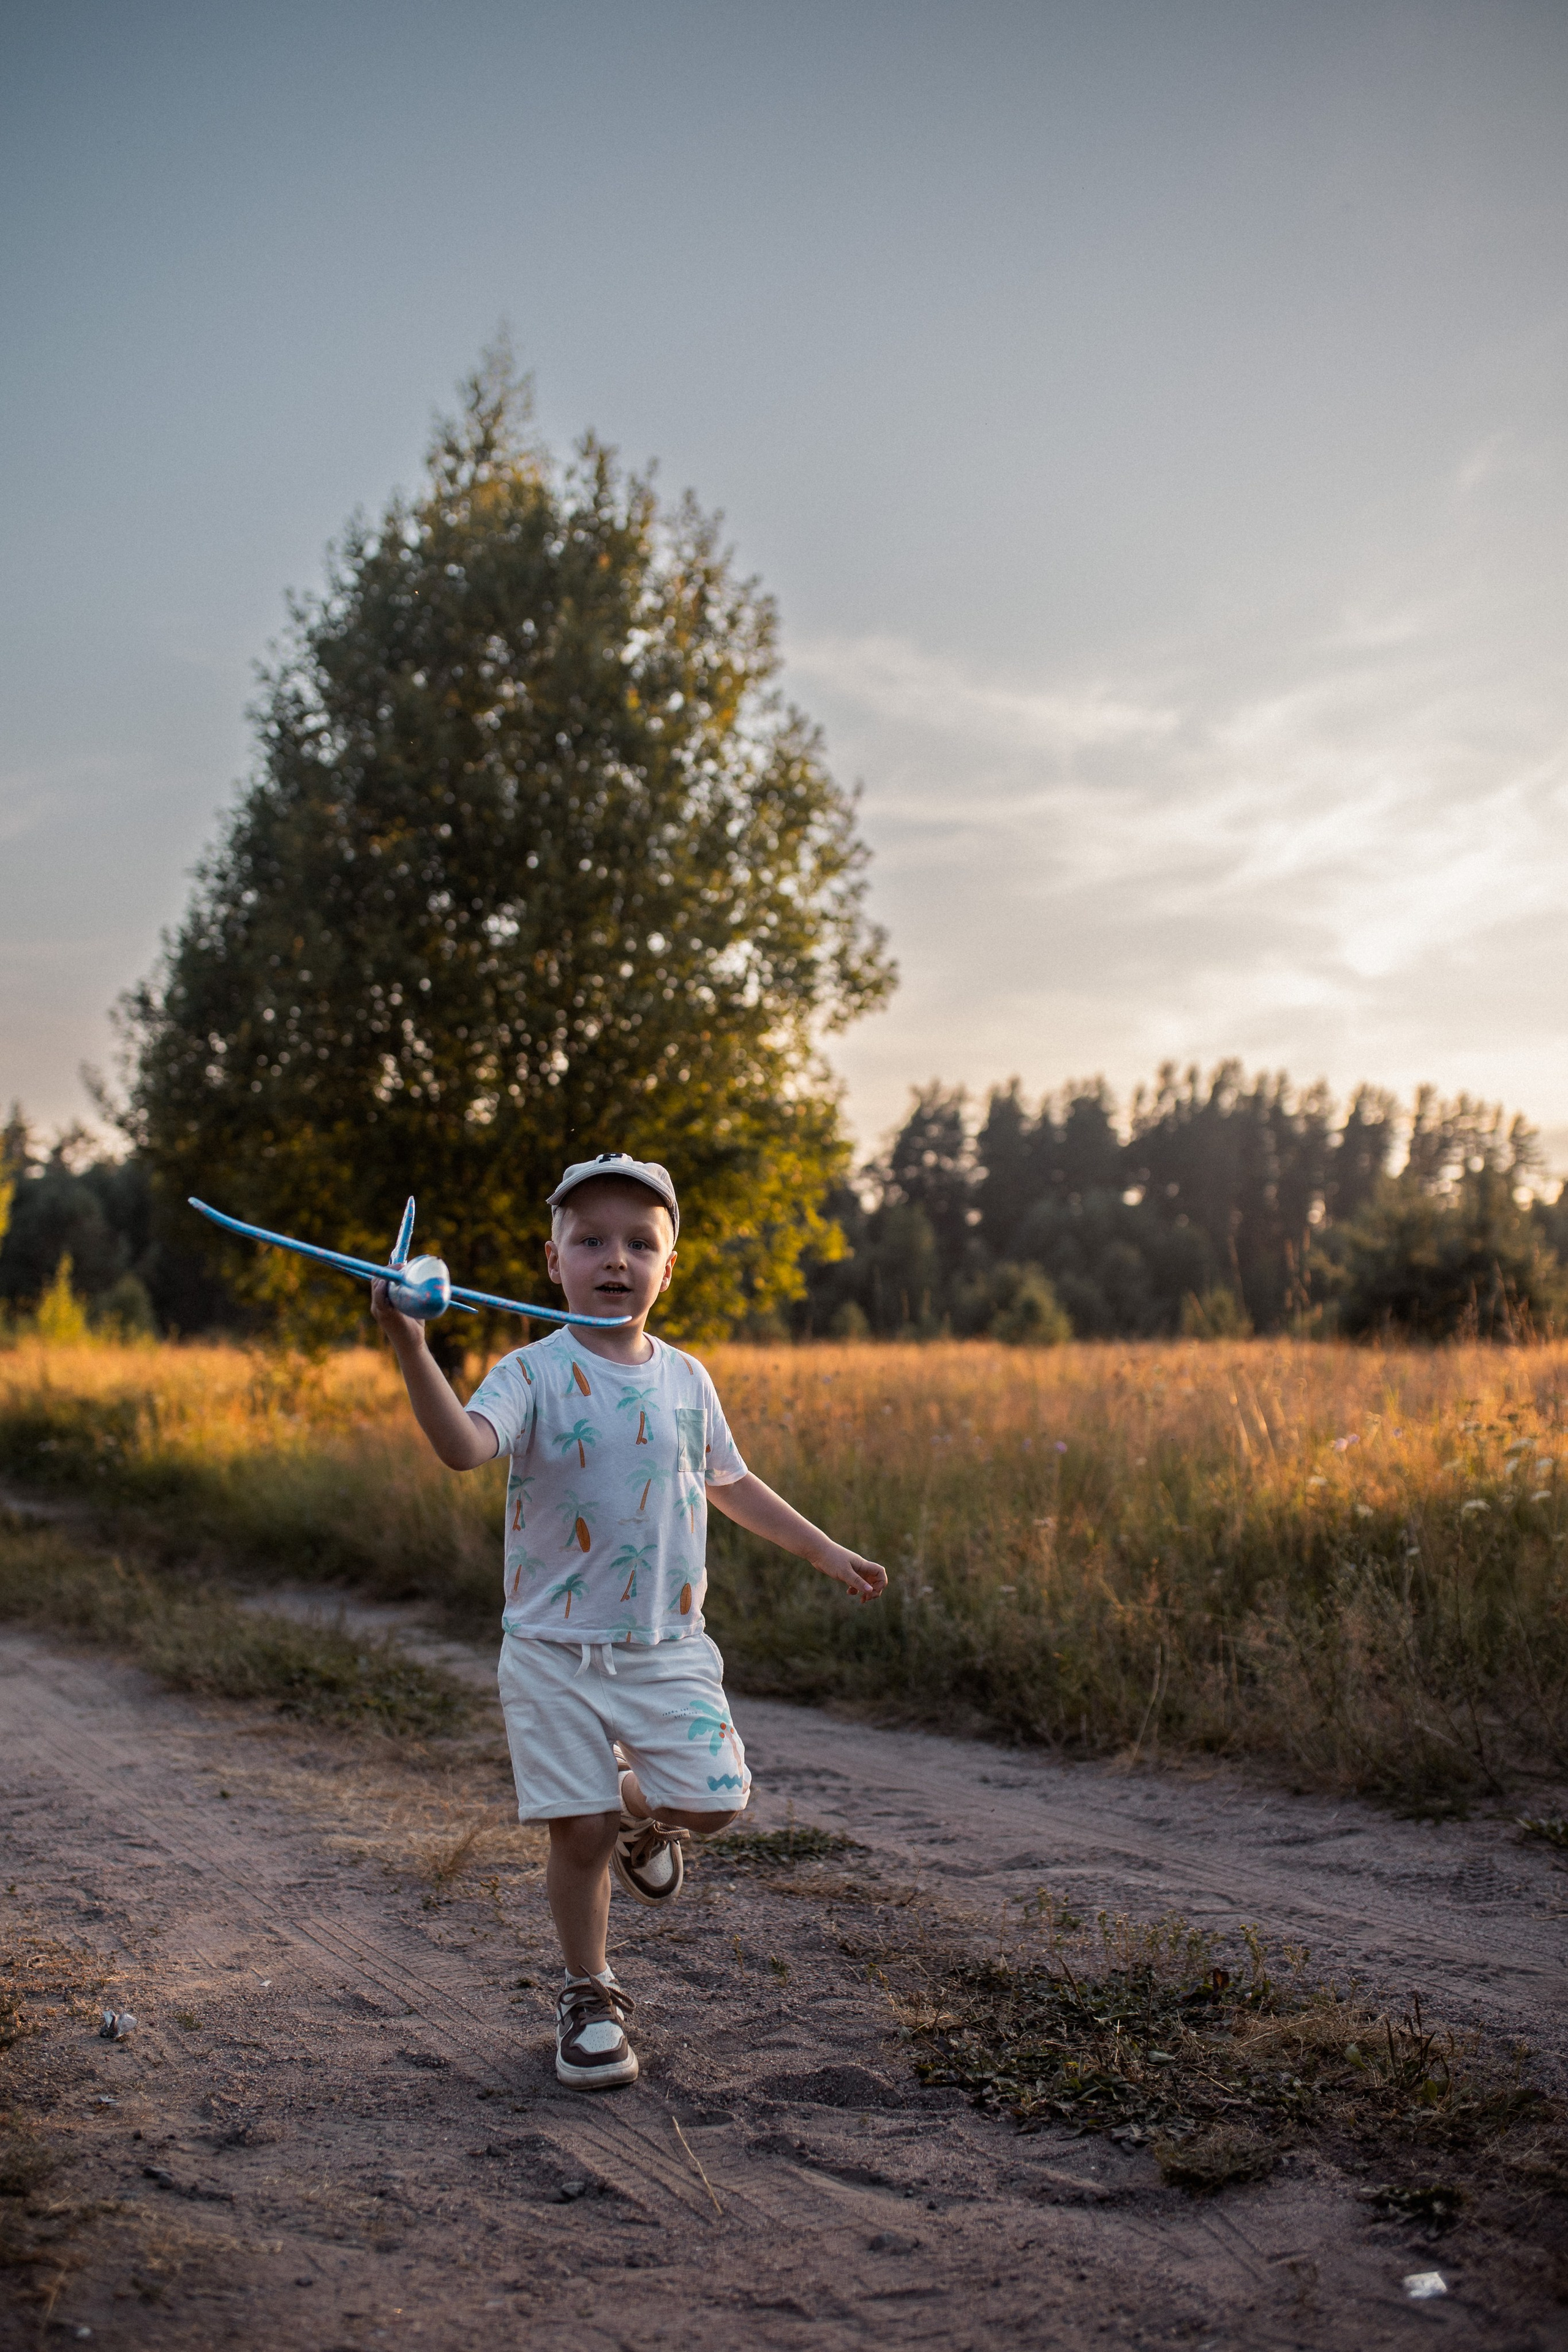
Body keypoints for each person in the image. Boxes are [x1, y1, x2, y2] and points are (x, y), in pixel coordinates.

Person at [370, 1152, 888, 2090]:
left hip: (667, 1646)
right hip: (552, 1651)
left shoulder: (688, 1379)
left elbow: (731, 1483)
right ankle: (588, 1994)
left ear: (669, 1265)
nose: (616, 1259)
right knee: (575, 1833)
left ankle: (641, 1818)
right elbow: (462, 1449)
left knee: (717, 1802)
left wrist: (823, 1550)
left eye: (640, 1243)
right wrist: (412, 1346)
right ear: (552, 1258)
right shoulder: (530, 1371)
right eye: (591, 1240)